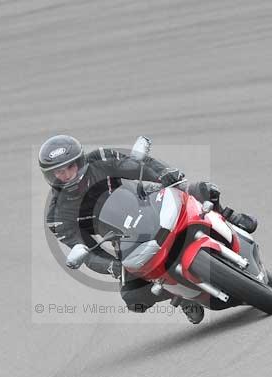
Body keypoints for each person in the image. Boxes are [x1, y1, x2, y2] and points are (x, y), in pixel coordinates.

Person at [40, 135, 258, 324]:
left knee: (202, 189)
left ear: (80, 161)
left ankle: (232, 218)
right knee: (133, 299)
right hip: (123, 237)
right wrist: (113, 267)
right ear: (50, 176)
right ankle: (180, 295)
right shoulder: (56, 216)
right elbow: (84, 249)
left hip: (147, 199)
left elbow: (136, 166)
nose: (67, 175)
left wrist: (165, 176)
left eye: (70, 167)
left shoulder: (99, 159)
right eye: (59, 172)